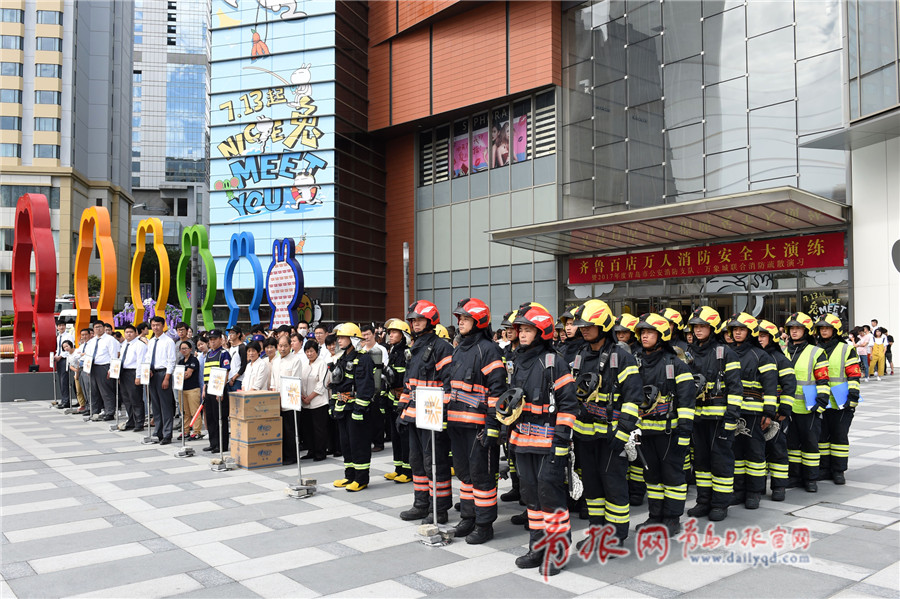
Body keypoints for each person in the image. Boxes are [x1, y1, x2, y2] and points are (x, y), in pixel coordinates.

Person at [503, 303, 578, 577]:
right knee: (531, 499)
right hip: (523, 444)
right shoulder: (518, 361)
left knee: (551, 499)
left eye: (528, 329)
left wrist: (561, 444)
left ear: (542, 331)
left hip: (549, 446)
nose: (522, 334)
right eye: (520, 329)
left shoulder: (554, 362)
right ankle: (538, 547)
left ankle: (557, 552)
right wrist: (507, 431)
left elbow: (569, 406)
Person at [570, 299, 642, 548]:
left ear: (603, 326)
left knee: (614, 488)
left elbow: (634, 398)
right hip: (584, 435)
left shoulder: (622, 358)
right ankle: (597, 532)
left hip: (611, 436)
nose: (584, 329)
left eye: (589, 325)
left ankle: (615, 538)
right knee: (592, 488)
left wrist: (623, 431)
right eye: (581, 326)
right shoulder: (580, 355)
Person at [447, 298, 507, 544]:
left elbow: (497, 391)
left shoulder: (489, 349)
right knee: (464, 474)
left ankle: (484, 525)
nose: (460, 322)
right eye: (459, 318)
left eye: (465, 318)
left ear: (479, 321)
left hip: (479, 426)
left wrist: (492, 426)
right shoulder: (460, 347)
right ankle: (469, 517)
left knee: (482, 475)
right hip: (457, 423)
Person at [633, 313, 695, 536]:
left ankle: (672, 518)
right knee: (651, 477)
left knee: (673, 477)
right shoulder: (635, 363)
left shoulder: (677, 365)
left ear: (661, 336)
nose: (645, 336)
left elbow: (687, 403)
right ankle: (655, 516)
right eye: (642, 333)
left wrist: (685, 433)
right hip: (644, 431)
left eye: (649, 332)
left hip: (670, 433)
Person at [398, 300, 454, 523]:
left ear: (430, 321)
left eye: (419, 319)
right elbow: (408, 383)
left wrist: (444, 414)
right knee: (417, 461)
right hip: (413, 413)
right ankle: (421, 504)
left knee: (435, 462)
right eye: (413, 320)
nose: (415, 323)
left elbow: (449, 384)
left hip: (433, 412)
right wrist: (402, 410)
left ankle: (438, 509)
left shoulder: (442, 347)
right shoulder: (415, 346)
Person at [685, 306, 743, 522]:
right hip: (697, 418)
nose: (698, 330)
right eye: (695, 326)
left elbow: (736, 388)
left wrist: (731, 417)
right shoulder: (688, 352)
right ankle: (703, 501)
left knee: (721, 460)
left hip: (720, 419)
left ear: (713, 328)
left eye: (702, 326)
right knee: (700, 462)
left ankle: (720, 504)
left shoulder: (725, 352)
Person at [723, 313, 778, 511]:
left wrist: (769, 412)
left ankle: (754, 492)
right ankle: (738, 491)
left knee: (754, 452)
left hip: (754, 413)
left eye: (742, 329)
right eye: (735, 330)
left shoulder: (761, 355)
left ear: (750, 332)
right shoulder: (726, 352)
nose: (737, 333)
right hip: (731, 411)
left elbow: (771, 386)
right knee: (735, 452)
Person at [328, 323, 378, 491]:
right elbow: (336, 383)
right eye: (339, 337)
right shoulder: (342, 358)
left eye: (342, 337)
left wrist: (359, 410)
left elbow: (365, 388)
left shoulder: (363, 359)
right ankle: (350, 476)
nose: (339, 340)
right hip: (343, 408)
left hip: (356, 410)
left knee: (359, 444)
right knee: (346, 444)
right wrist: (333, 404)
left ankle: (361, 478)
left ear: (353, 339)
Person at [784, 312, 829, 493]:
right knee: (792, 445)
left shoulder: (816, 352)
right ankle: (795, 476)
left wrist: (821, 401)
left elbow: (823, 380)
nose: (794, 332)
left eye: (798, 328)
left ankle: (811, 478)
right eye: (792, 328)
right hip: (788, 406)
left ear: (807, 331)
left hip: (809, 406)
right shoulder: (785, 351)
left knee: (810, 444)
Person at [815, 315, 861, 485]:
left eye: (827, 328)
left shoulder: (846, 349)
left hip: (841, 400)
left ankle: (839, 470)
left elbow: (854, 374)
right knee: (822, 436)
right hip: (821, 400)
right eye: (821, 328)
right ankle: (825, 468)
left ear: (835, 330)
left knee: (839, 437)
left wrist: (853, 397)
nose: (824, 330)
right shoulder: (815, 347)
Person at [757, 320, 796, 501]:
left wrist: (784, 410)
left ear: (772, 338)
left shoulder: (781, 359)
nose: (759, 339)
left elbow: (789, 387)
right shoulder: (754, 355)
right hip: (757, 411)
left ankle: (779, 486)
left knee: (778, 449)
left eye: (763, 336)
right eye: (757, 335)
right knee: (757, 451)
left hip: (777, 413)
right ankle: (759, 486)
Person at [382, 318, 411, 482]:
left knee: (404, 435)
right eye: (390, 332)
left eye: (394, 332)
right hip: (392, 398)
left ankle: (408, 471)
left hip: (403, 399)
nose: (390, 335)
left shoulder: (406, 352)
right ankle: (398, 467)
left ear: (403, 335)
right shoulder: (393, 351)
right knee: (395, 434)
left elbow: (403, 378)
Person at [270, 334, 302, 465]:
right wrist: (273, 395)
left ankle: (292, 456)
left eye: (285, 346)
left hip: (290, 402)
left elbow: (295, 381)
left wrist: (283, 396)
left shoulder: (296, 360)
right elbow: (273, 380)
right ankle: (281, 455)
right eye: (280, 346)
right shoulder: (276, 361)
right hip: (277, 401)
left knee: (291, 430)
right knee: (280, 430)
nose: (282, 349)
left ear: (290, 346)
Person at [146, 316, 177, 444]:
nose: (155, 327)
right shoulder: (151, 341)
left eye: (158, 325)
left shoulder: (168, 341)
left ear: (163, 326)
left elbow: (171, 361)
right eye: (153, 325)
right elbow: (148, 358)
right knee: (156, 405)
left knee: (166, 405)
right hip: (152, 374)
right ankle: (157, 432)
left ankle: (167, 434)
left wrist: (167, 378)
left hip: (163, 374)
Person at [202, 329, 232, 453]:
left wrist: (220, 391)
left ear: (220, 339)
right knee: (210, 417)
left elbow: (226, 372)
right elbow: (206, 374)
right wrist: (204, 388)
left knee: (220, 417)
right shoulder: (209, 354)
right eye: (210, 340)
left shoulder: (224, 353)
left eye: (214, 339)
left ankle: (222, 444)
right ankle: (213, 443)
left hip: (219, 390)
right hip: (208, 389)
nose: (212, 342)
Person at [300, 340, 330, 461]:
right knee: (308, 429)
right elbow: (300, 381)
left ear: (316, 351)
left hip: (318, 402)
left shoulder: (322, 363)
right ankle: (311, 451)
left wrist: (310, 397)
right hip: (305, 402)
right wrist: (303, 396)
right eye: (307, 351)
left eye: (311, 351)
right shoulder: (304, 364)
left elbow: (321, 384)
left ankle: (320, 452)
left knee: (319, 429)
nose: (309, 354)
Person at [85, 321, 119, 420]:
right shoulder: (92, 341)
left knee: (106, 391)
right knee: (94, 391)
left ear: (104, 328)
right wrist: (87, 368)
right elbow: (89, 354)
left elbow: (113, 355)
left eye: (100, 327)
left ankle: (110, 412)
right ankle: (95, 411)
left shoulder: (110, 339)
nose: (98, 329)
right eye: (95, 327)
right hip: (93, 366)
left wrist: (111, 369)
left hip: (104, 366)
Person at [118, 324, 148, 432]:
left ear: (136, 333)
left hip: (133, 372)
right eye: (126, 332)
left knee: (136, 399)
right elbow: (121, 359)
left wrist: (138, 376)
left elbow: (141, 361)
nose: (128, 334)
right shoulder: (124, 344)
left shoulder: (139, 345)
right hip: (124, 372)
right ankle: (131, 420)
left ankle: (139, 422)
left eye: (131, 332)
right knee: (126, 399)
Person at [177, 340, 203, 440]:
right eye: (181, 349)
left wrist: (179, 376)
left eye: (185, 348)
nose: (183, 350)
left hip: (193, 389)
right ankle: (186, 431)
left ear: (190, 349)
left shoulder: (193, 360)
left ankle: (197, 432)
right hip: (182, 389)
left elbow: (188, 374)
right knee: (185, 412)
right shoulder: (180, 361)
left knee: (194, 411)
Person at [54, 320, 74, 409]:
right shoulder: (58, 337)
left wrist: (60, 356)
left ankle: (66, 401)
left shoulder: (68, 336)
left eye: (63, 325)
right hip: (59, 359)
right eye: (59, 326)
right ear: (57, 327)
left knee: (64, 380)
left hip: (65, 359)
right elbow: (58, 349)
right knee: (61, 380)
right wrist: (55, 356)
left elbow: (69, 349)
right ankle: (63, 400)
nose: (61, 327)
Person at [227, 326, 247, 392]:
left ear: (238, 334)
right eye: (229, 333)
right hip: (229, 378)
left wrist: (234, 378)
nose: (230, 335)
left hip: (238, 380)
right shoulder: (231, 347)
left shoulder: (242, 347)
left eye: (232, 333)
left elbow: (244, 365)